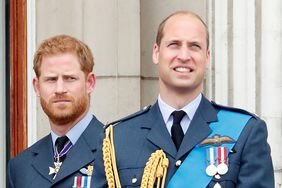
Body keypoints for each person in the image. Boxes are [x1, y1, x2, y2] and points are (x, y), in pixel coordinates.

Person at [99, 11, 274, 187]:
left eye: (194, 46)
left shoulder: (245, 132)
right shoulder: (117, 139)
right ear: (156, 52)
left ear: (207, 57)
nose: (184, 56)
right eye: (174, 44)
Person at [7, 35, 104, 188]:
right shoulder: (20, 168)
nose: (60, 89)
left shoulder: (116, 151)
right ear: (37, 87)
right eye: (51, 79)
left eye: (70, 78)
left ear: (90, 83)